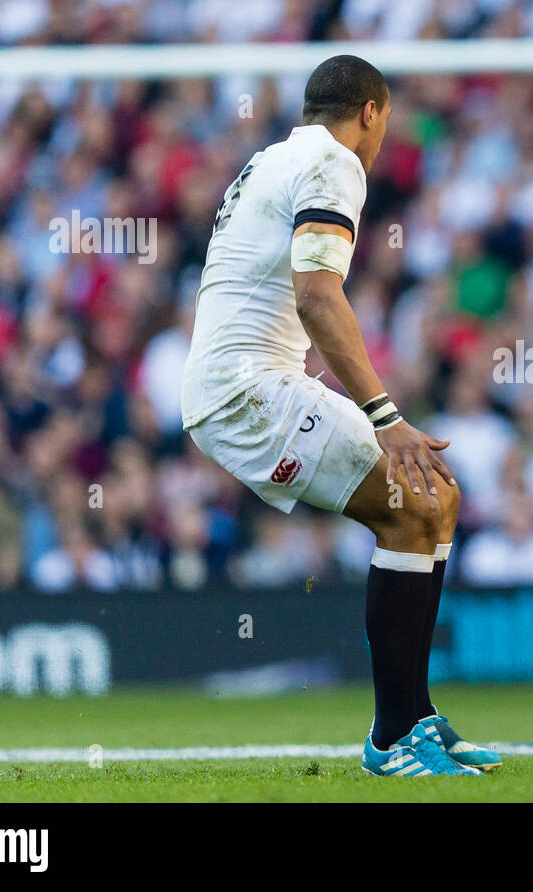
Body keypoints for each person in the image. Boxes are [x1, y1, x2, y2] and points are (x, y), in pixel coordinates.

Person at [181, 55, 498, 777]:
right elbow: (317, 296)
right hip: (244, 391)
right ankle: (391, 737)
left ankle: (414, 716)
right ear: (371, 113)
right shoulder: (334, 164)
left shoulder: (273, 157)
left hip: (244, 380)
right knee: (411, 502)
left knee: (434, 498)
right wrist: (386, 415)